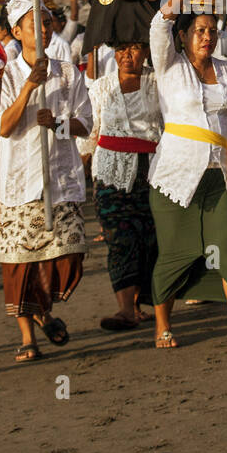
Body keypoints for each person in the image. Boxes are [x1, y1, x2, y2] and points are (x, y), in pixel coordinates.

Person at [148, 0, 227, 350]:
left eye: (212, 30)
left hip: (223, 175)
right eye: (199, 30)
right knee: (175, 252)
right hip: (175, 176)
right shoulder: (168, 65)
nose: (207, 37)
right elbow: (157, 25)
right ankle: (162, 325)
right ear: (182, 36)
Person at [0, 0, 92, 362]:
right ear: (17, 32)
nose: (44, 30)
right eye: (34, 24)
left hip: (60, 177)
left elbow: (86, 124)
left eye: (47, 22)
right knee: (21, 263)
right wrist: (30, 86)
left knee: (67, 257)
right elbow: (2, 126)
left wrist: (59, 125)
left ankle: (42, 309)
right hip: (21, 180)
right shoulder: (4, 75)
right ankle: (27, 336)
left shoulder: (67, 72)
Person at [79, 41, 162, 331]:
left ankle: (141, 303)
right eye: (121, 49)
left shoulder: (160, 82)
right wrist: (78, 170)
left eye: (135, 48)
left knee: (150, 237)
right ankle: (126, 309)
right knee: (119, 238)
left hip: (153, 170)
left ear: (147, 51)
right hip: (109, 172)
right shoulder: (100, 87)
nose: (128, 55)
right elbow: (90, 132)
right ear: (113, 53)